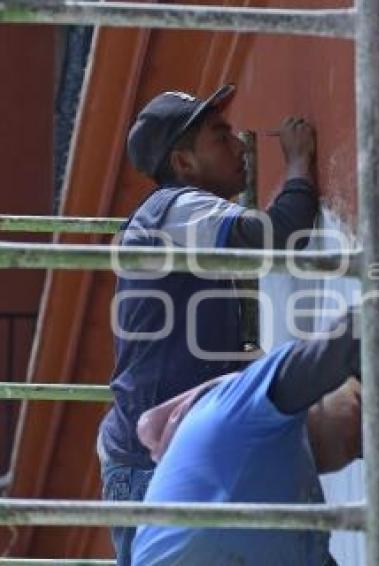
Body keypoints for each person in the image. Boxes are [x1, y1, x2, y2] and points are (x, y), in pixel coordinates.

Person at [97, 83, 320, 565]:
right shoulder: (177, 208)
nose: (240, 144)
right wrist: (298, 162)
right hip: (152, 458)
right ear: (183, 163)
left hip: (163, 447)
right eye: (220, 137)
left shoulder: (176, 218)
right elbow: (281, 236)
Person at [131, 304, 379, 565]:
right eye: (362, 396)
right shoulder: (242, 411)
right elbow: (371, 322)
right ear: (320, 388)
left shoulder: (308, 534)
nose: (368, 422)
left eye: (372, 441)